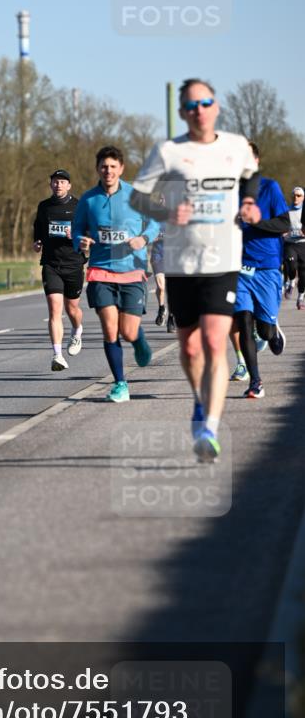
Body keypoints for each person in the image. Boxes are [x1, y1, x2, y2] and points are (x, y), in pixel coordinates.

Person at [130, 78, 260, 462]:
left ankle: (210, 428)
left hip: (223, 261)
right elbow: (139, 196)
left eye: (205, 102)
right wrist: (167, 212)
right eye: (191, 105)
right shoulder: (169, 152)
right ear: (183, 112)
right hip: (182, 264)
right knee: (189, 345)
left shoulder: (235, 147)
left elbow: (250, 174)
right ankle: (199, 403)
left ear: (215, 106)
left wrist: (249, 202)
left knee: (216, 342)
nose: (199, 110)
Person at [72, 146, 160, 402]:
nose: (108, 171)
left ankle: (139, 340)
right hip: (101, 272)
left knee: (128, 332)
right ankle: (120, 383)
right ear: (97, 168)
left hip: (132, 271)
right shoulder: (88, 200)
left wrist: (144, 238)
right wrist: (82, 241)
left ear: (121, 169)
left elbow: (156, 223)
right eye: (103, 166)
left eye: (112, 166)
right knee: (110, 331)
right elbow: (77, 229)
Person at [230, 143, 288, 399]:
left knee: (263, 331)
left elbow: (284, 223)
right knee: (243, 320)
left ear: (256, 160)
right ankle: (255, 382)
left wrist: (257, 222)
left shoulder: (270, 187)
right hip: (239, 267)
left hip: (267, 268)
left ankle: (272, 329)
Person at [32, 168, 85, 371]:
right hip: (51, 264)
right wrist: (36, 243)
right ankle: (57, 355)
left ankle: (77, 329)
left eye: (62, 182)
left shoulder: (79, 206)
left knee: (72, 309)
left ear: (69, 185)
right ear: (50, 184)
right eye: (55, 181)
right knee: (55, 309)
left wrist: (76, 235)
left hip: (73, 263)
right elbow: (38, 229)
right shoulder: (44, 207)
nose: (58, 185)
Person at [283, 185, 305, 308]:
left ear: (303, 198)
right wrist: (283, 231)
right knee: (291, 262)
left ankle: (300, 297)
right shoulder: (287, 211)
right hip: (290, 243)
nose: (296, 198)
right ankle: (291, 281)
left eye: (299, 195)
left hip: (303, 244)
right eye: (294, 195)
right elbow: (281, 225)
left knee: (303, 274)